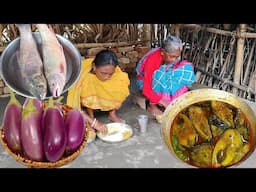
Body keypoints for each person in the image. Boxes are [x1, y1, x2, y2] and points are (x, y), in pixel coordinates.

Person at [67, 49, 130, 134]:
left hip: (102, 94)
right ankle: (90, 116)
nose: (107, 77)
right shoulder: (81, 73)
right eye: (103, 73)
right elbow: (73, 106)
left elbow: (120, 88)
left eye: (110, 74)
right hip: (89, 96)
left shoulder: (115, 71)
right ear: (94, 66)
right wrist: (94, 123)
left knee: (119, 84)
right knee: (89, 81)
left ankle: (112, 114)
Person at [136, 35, 195, 117]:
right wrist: (163, 102)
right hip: (144, 80)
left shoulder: (170, 54)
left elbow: (174, 65)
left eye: (177, 57)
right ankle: (151, 105)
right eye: (172, 57)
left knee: (186, 68)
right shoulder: (152, 61)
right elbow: (146, 89)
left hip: (164, 71)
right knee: (159, 76)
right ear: (162, 52)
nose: (175, 60)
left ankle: (170, 95)